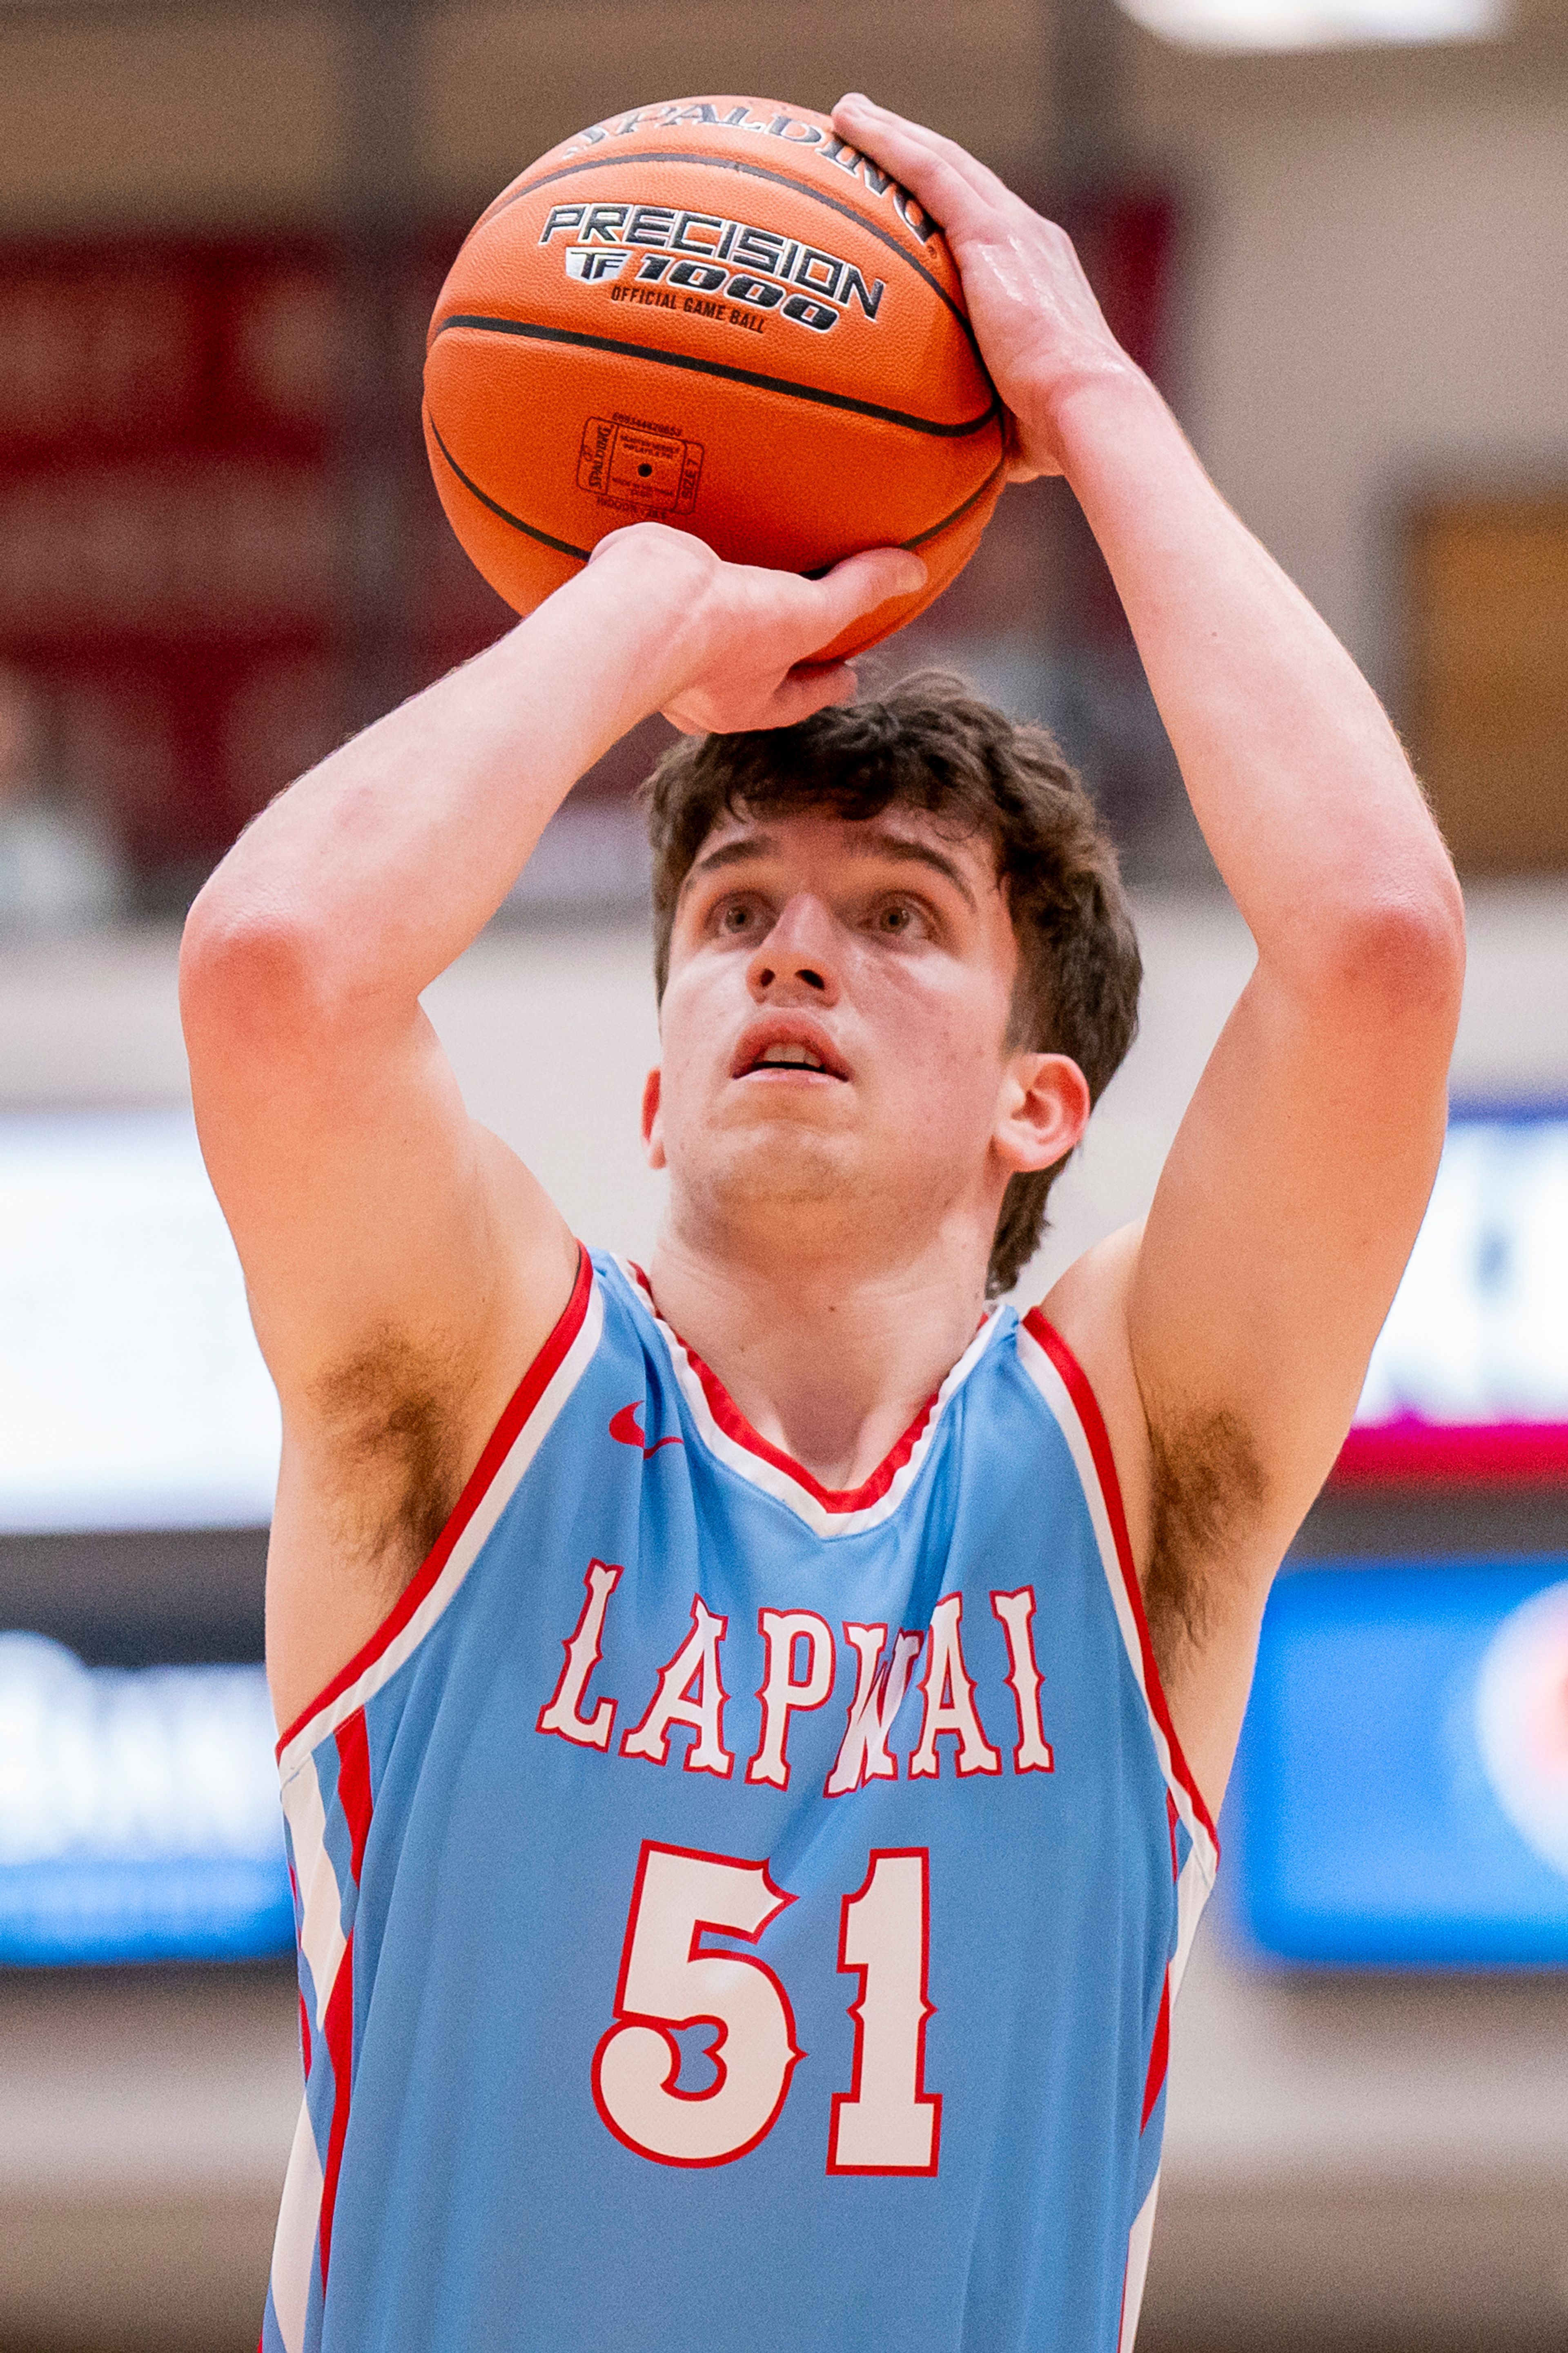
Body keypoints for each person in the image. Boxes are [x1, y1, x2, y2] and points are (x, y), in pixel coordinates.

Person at [181, 95, 1463, 2353]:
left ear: (1037, 1099)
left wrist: (1087, 396)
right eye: (740, 909)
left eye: (897, 919)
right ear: (654, 1072)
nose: (796, 952)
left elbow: (1370, 938)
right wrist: (646, 600)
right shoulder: (482, 1391)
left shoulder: (1124, 1467)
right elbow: (281, 967)